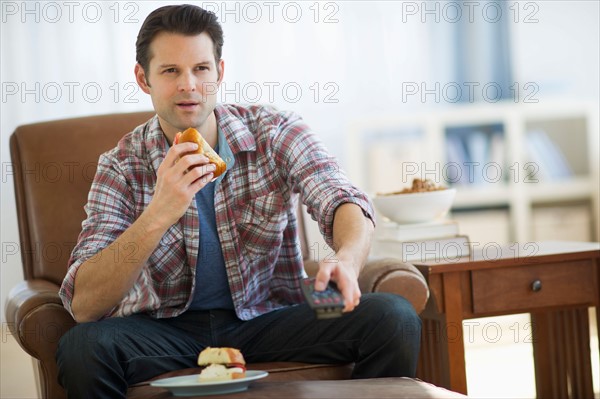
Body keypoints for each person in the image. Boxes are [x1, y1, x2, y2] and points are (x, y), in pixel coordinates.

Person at [56, 4, 421, 398]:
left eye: (200, 69)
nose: (189, 85)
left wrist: (347, 258)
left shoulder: (273, 131)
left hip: (269, 318)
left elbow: (338, 194)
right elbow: (85, 305)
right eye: (170, 71)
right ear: (143, 79)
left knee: (392, 318)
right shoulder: (121, 165)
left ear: (220, 72)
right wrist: (158, 213)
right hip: (163, 329)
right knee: (83, 348)